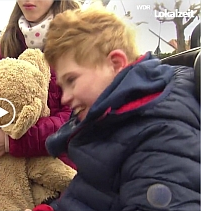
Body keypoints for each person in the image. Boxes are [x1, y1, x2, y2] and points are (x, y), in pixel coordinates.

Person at [30, 4, 200, 211]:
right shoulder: (116, 119)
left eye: (72, 80)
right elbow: (91, 197)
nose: (65, 98)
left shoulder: (161, 133)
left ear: (116, 64)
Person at [0, 0, 81, 169]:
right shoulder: (11, 41)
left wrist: (12, 141)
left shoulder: (79, 41)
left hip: (60, 175)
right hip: (7, 175)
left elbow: (77, 119)